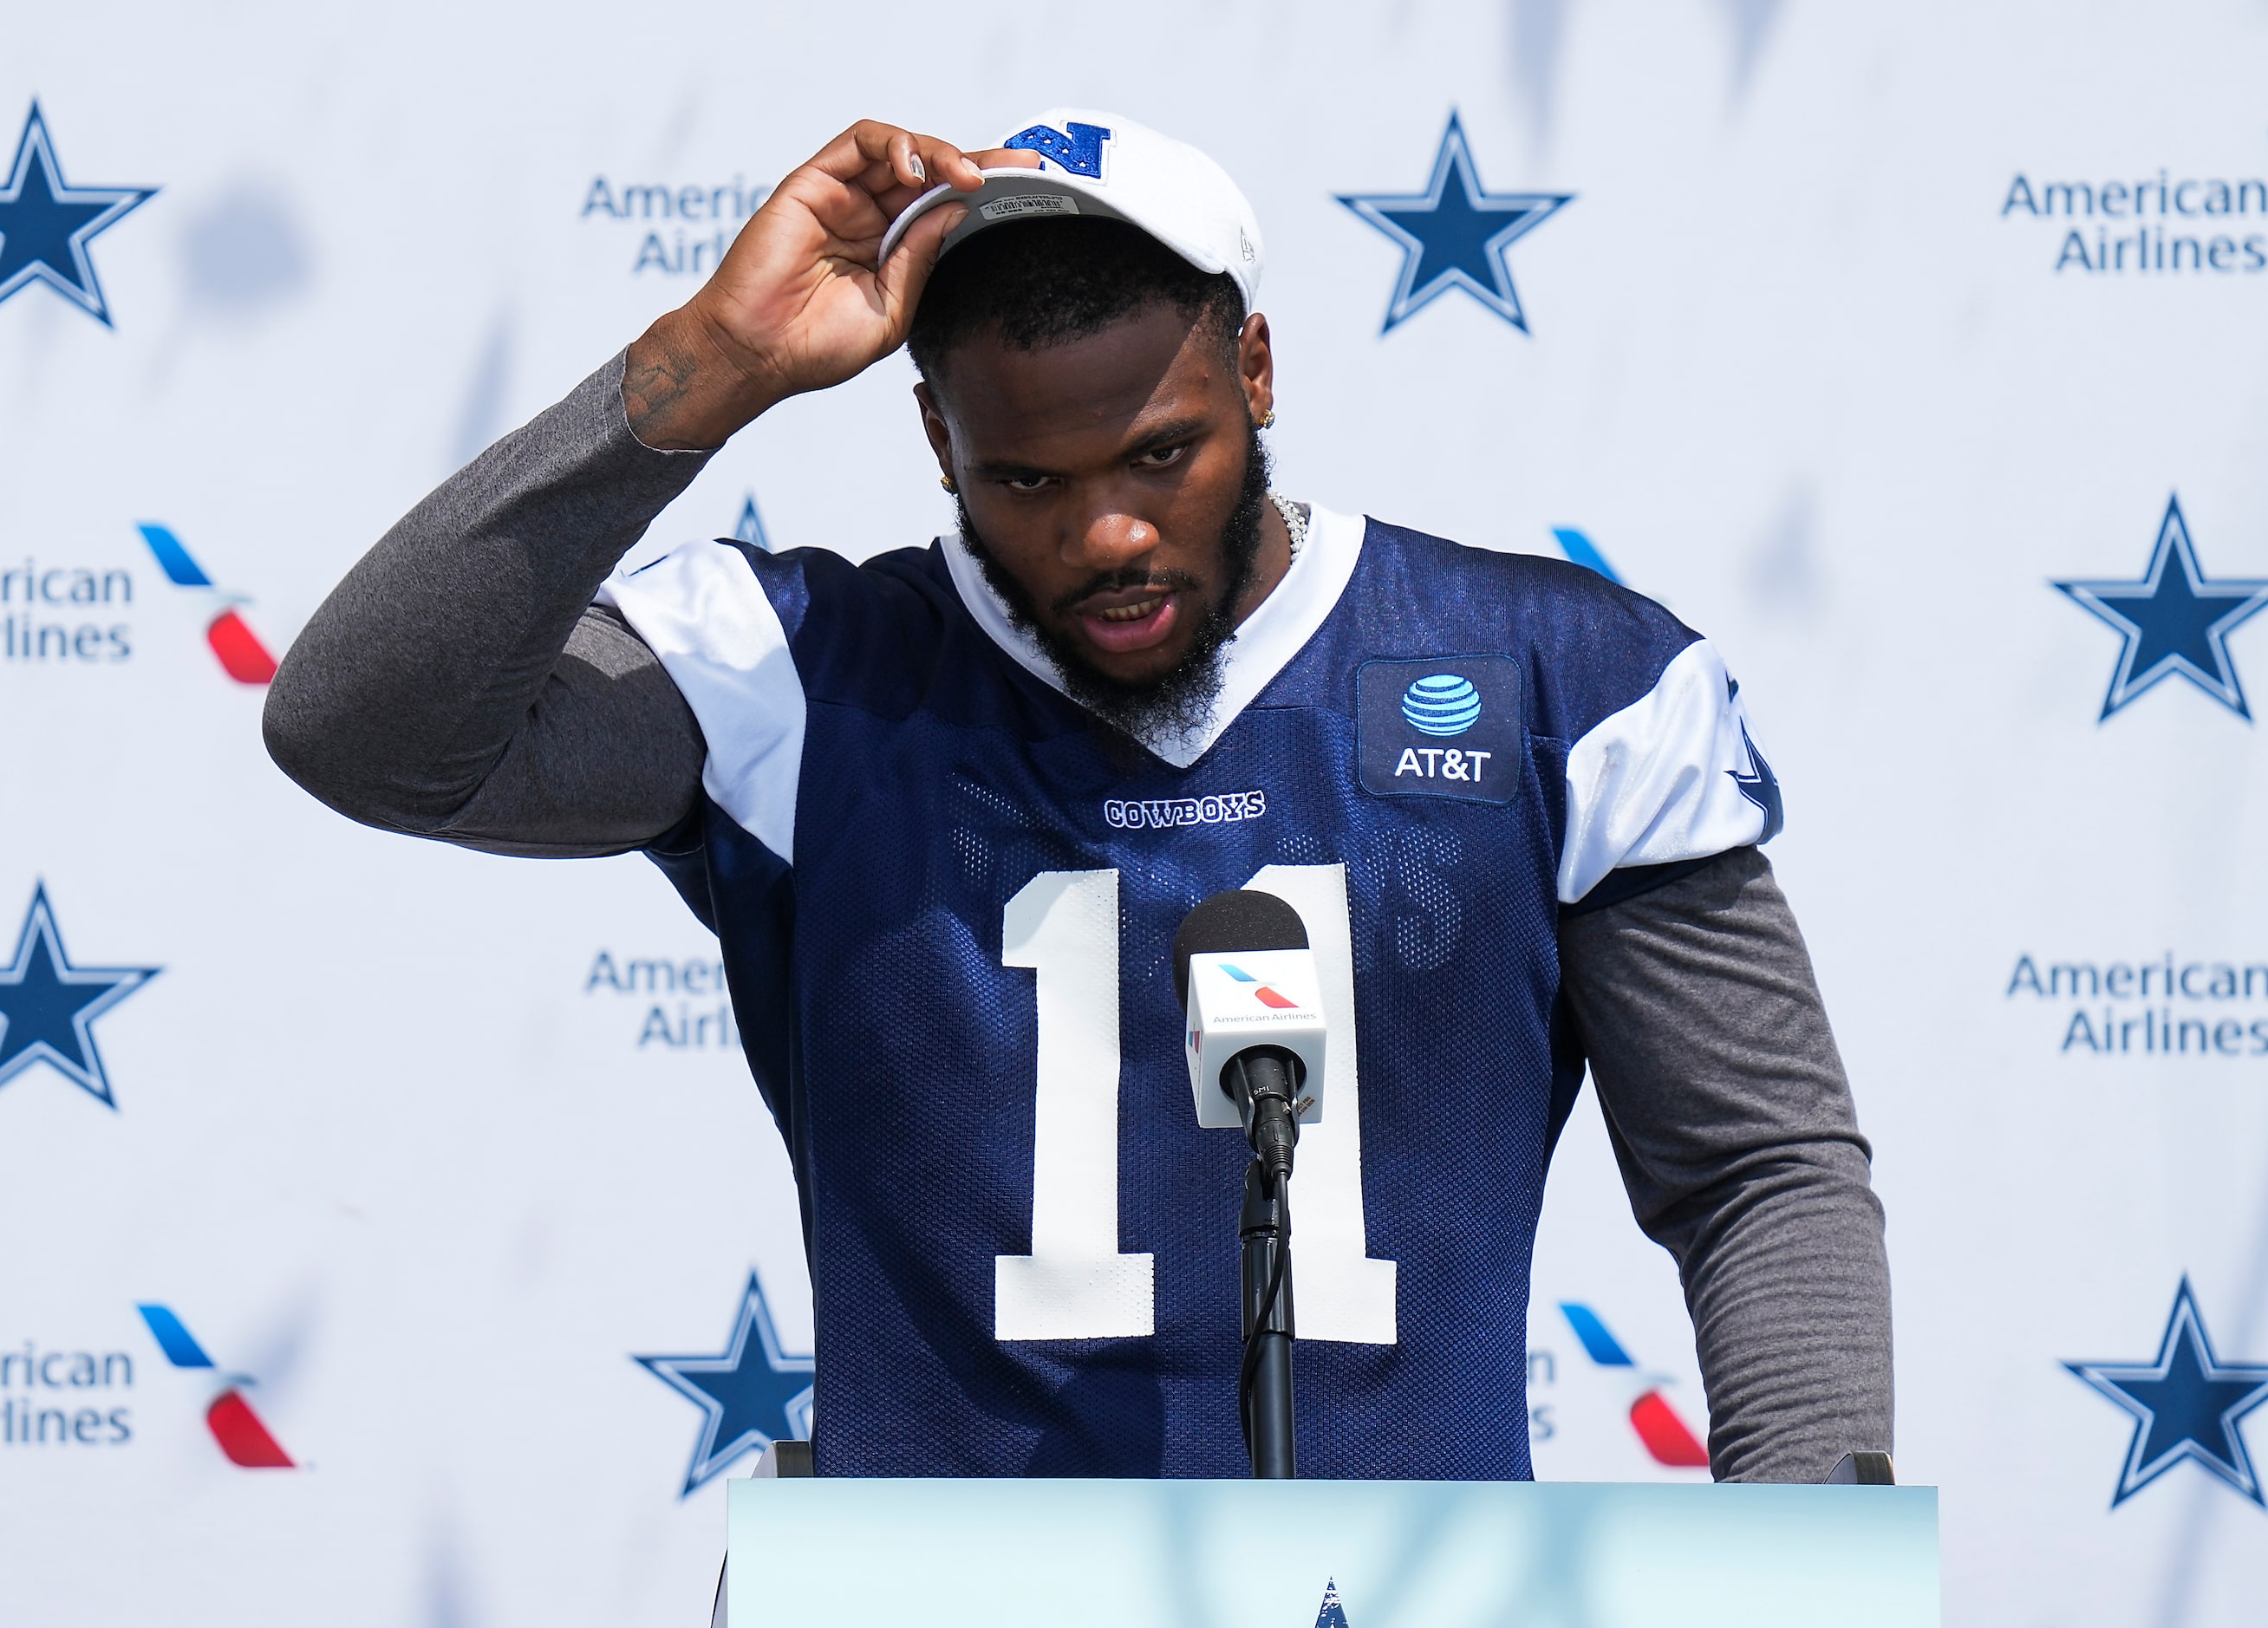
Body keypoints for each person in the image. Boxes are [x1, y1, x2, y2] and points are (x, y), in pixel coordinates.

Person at [264, 110, 1890, 1481]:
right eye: (1026, 481)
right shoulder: (804, 672)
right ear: (934, 440)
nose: (1104, 535)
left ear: (1256, 369)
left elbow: (1755, 1166)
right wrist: (702, 370)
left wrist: (1806, 1562)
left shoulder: (1556, 678)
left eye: (1158, 456)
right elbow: (362, 732)